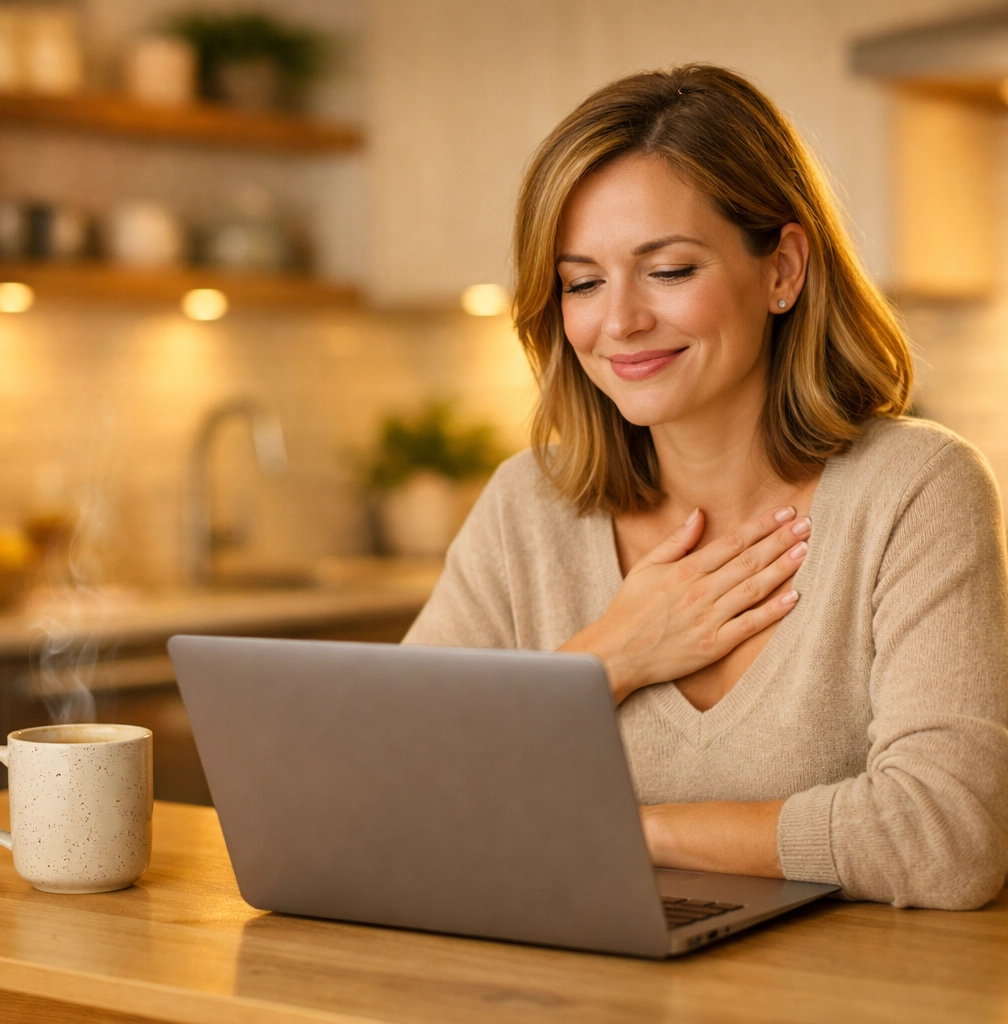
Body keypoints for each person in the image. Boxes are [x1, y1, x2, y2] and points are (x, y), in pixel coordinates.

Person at [404, 65, 1008, 909]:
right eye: (582, 282)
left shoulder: (915, 491)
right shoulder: (526, 509)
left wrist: (633, 831)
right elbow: (396, 786)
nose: (618, 322)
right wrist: (608, 657)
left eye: (671, 270)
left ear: (783, 269)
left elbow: (947, 838)